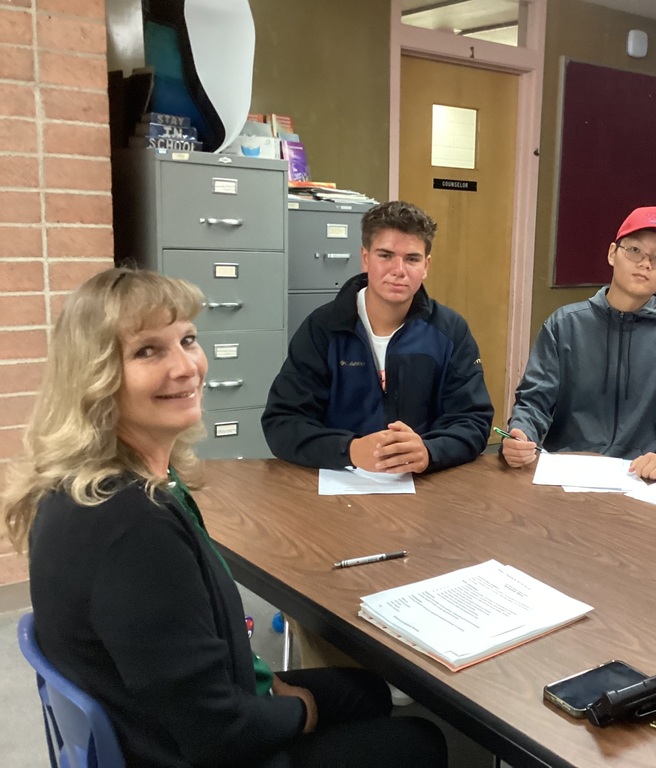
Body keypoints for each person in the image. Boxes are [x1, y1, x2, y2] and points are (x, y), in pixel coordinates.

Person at [1, 268, 447, 768]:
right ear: (95, 376)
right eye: (148, 351)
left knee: (366, 690)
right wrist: (301, 713)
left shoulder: (87, 483)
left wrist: (263, 679)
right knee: (420, 742)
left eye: (187, 340)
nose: (187, 367)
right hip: (193, 750)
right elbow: (217, 733)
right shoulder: (131, 528)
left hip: (162, 713)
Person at [262, 200, 493, 475]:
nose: (399, 270)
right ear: (365, 258)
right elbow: (282, 423)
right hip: (337, 483)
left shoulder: (450, 331)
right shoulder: (323, 328)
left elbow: (473, 420)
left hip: (423, 486)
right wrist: (349, 450)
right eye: (385, 255)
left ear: (426, 265)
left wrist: (430, 452)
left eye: (412, 258)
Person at [502, 206, 656, 481]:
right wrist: (522, 433)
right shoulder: (565, 325)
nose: (645, 264)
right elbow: (534, 400)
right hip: (569, 471)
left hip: (641, 476)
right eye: (635, 251)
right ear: (613, 253)